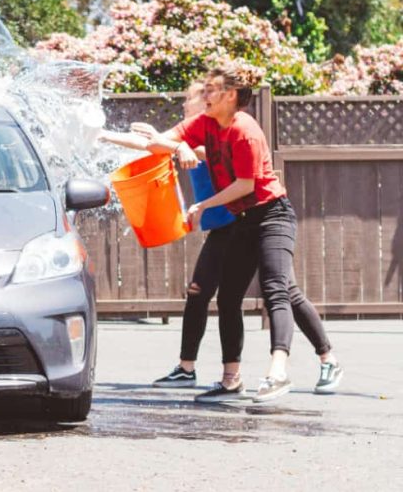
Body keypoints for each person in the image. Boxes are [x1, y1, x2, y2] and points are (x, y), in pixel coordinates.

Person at [134, 65, 343, 403]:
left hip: (272, 215)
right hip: (242, 221)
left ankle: (279, 371)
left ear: (230, 95)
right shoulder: (205, 123)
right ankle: (231, 379)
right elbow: (164, 143)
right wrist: (157, 143)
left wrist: (203, 205)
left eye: (211, 90)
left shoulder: (245, 130)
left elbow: (244, 185)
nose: (205, 96)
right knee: (229, 298)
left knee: (277, 288)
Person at [100, 81, 254, 402]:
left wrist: (173, 146)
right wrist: (103, 135)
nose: (184, 106)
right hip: (222, 228)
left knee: (267, 296)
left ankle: (323, 356)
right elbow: (151, 145)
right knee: (200, 294)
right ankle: (187, 368)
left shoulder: (218, 134)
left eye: (190, 101)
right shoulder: (192, 132)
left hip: (242, 226)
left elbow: (205, 154)